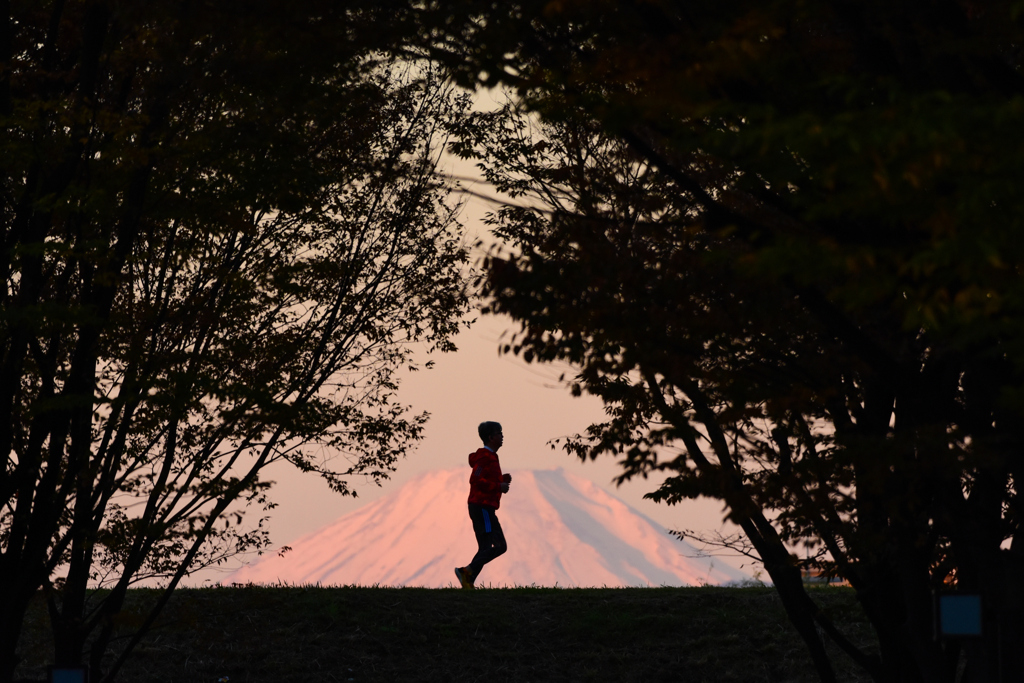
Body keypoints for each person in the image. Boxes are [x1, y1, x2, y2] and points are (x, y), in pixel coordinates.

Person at [454, 421, 512, 589]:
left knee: (486, 546)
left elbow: (485, 479)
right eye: (499, 433)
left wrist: (501, 481)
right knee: (499, 545)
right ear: (490, 437)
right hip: (482, 507)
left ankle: (468, 580)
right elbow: (476, 479)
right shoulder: (485, 457)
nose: (502, 436)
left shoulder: (491, 457)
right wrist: (498, 486)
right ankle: (466, 571)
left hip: (482, 506)